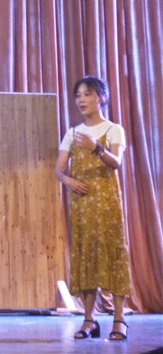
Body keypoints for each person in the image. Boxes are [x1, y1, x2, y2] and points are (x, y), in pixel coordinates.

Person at [54, 76, 132, 341]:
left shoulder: (113, 129)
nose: (81, 100)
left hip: (107, 202)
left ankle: (119, 318)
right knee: (85, 254)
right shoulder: (72, 133)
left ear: (101, 97)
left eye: (87, 94)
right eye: (78, 95)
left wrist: (97, 148)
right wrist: (67, 180)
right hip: (82, 203)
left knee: (113, 252)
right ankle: (89, 319)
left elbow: (116, 162)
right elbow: (58, 168)